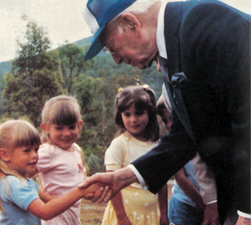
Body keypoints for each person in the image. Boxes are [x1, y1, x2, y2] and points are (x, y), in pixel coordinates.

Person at [80, 0, 250, 224]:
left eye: (111, 47)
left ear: (131, 23)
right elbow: (185, 135)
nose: (116, 60)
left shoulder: (207, 23)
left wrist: (246, 214)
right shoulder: (171, 53)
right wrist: (123, 177)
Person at [0, 119, 101, 225]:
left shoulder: (22, 182)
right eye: (27, 150)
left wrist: (82, 192)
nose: (35, 155)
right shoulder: (15, 184)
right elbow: (45, 212)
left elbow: (51, 201)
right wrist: (80, 191)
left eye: (36, 149)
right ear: (5, 154)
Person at [102, 85, 168, 225]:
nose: (133, 119)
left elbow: (162, 183)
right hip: (125, 218)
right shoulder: (119, 145)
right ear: (120, 115)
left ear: (149, 113)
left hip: (150, 217)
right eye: (127, 114)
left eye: (138, 113)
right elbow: (112, 183)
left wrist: (163, 214)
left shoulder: (156, 146)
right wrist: (121, 217)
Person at [36, 95, 87, 225]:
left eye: (71, 127)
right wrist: (48, 199)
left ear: (79, 125)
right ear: (46, 128)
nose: (66, 133)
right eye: (59, 128)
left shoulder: (76, 149)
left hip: (73, 218)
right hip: (55, 219)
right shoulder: (48, 151)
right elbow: (22, 177)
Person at [157, 94, 205, 224]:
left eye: (173, 118)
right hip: (183, 206)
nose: (169, 124)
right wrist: (202, 202)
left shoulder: (202, 139)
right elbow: (180, 178)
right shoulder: (172, 145)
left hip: (207, 204)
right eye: (165, 120)